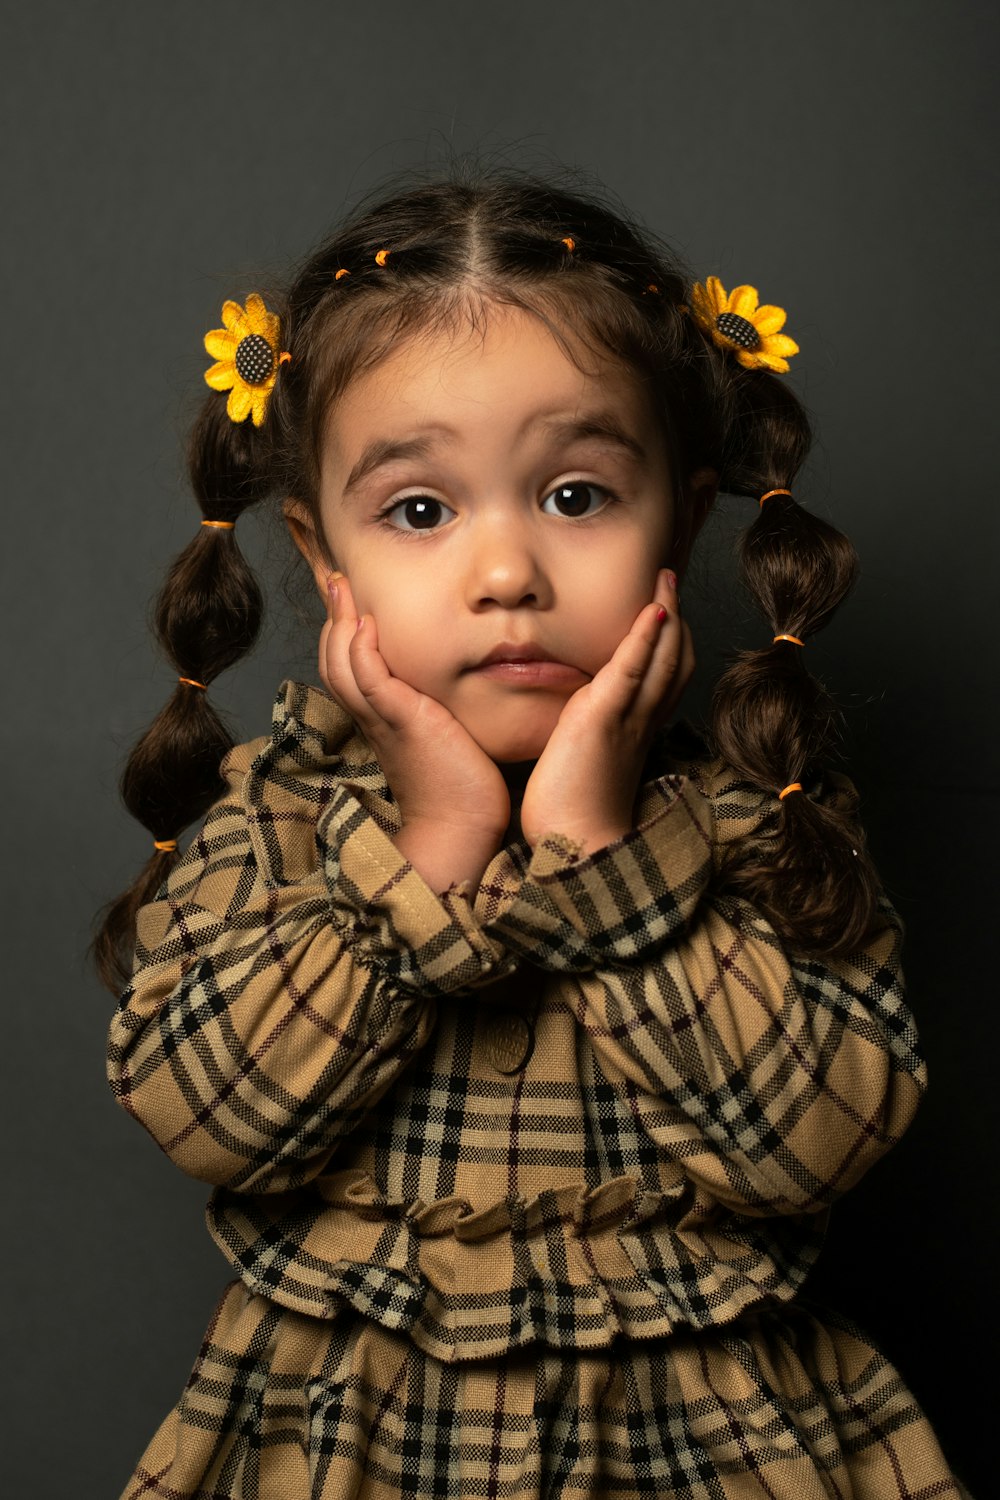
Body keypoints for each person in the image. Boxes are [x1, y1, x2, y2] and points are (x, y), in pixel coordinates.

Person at [96, 166, 970, 1497]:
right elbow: (208, 1113)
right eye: (420, 510)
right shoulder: (276, 817)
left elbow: (820, 1141)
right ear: (322, 555)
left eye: (575, 495)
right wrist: (435, 847)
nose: (506, 574)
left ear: (681, 514)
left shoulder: (758, 817)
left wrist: (603, 856)